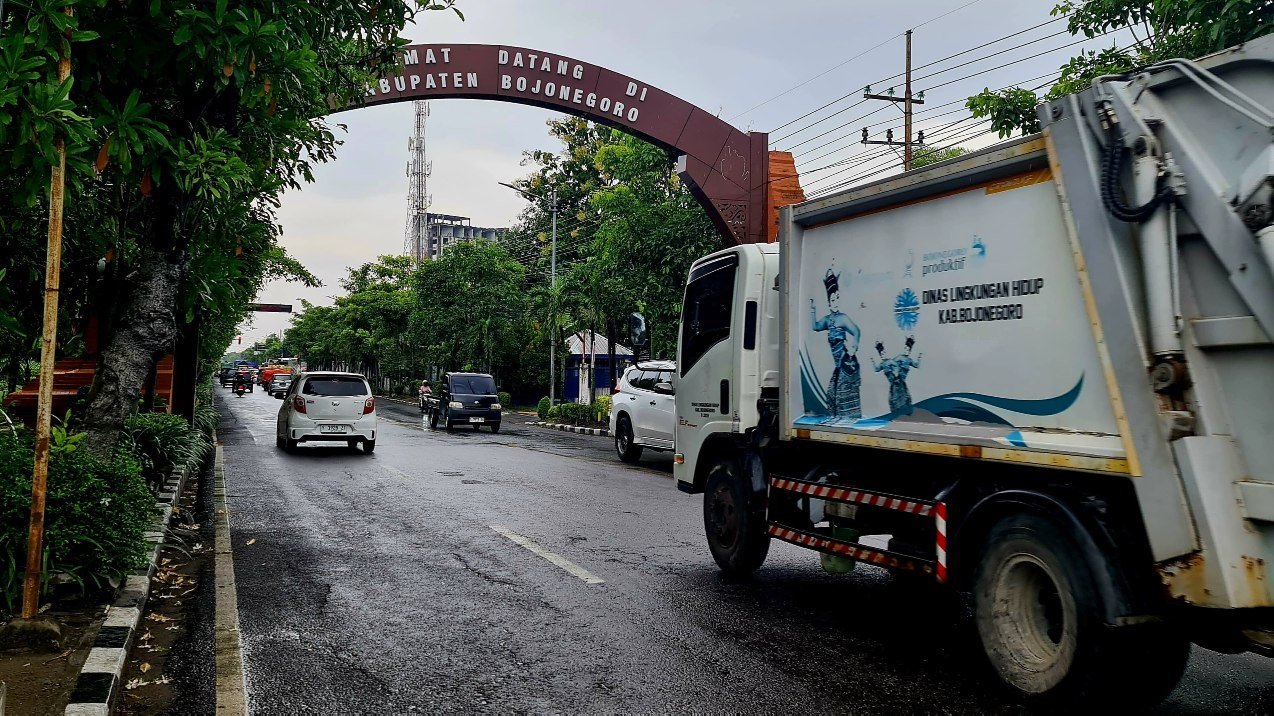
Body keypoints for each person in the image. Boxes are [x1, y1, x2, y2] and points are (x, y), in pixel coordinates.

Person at [811, 268, 862, 419]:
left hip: (847, 363)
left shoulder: (843, 318)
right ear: (828, 302)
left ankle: (849, 423)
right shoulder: (828, 320)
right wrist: (812, 310)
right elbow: (815, 327)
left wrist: (854, 346)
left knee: (842, 397)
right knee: (831, 396)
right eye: (833, 299)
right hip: (838, 367)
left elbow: (856, 331)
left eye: (837, 298)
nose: (836, 302)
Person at [872, 336, 923, 415]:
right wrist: (873, 362)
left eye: (908, 349)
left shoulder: (909, 360)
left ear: (910, 350)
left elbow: (916, 366)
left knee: (904, 398)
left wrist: (919, 358)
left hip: (902, 382)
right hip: (895, 382)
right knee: (895, 399)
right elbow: (884, 367)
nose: (906, 351)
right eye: (905, 348)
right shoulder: (899, 357)